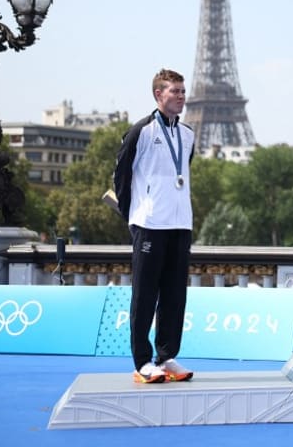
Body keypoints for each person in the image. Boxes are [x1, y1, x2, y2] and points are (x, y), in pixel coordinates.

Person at [114, 68, 196, 383]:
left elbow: (181, 173)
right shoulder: (142, 132)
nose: (181, 96)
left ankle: (167, 355)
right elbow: (121, 175)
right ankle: (142, 361)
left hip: (180, 222)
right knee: (145, 293)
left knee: (175, 294)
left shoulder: (188, 134)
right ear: (158, 95)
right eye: (174, 91)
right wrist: (134, 213)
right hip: (149, 223)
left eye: (183, 91)